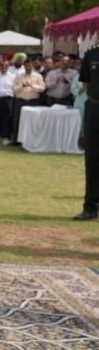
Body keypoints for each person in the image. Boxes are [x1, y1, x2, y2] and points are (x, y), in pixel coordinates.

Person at [74, 46, 99, 220]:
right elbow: (86, 83)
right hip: (94, 107)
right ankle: (90, 207)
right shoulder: (91, 54)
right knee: (92, 160)